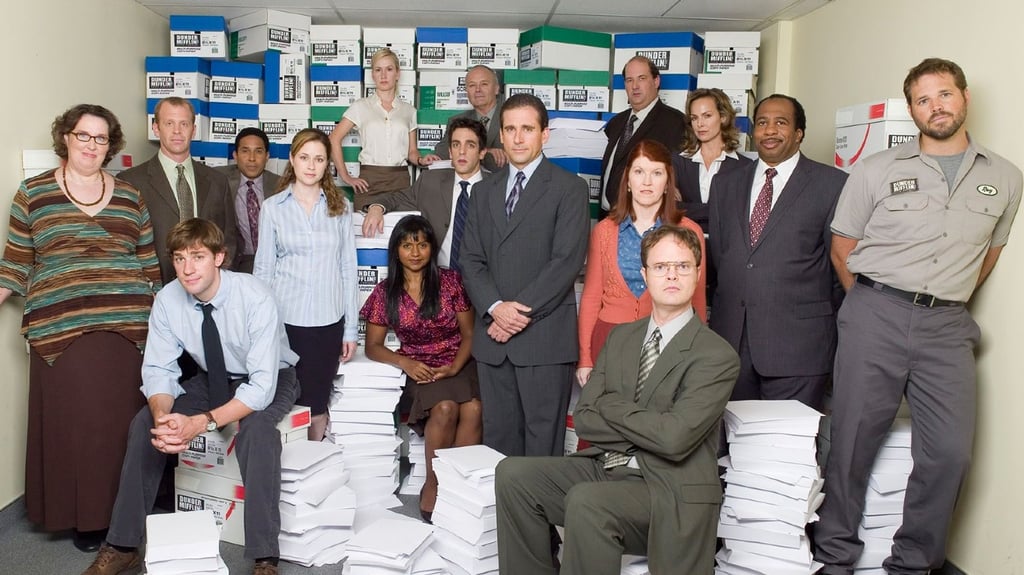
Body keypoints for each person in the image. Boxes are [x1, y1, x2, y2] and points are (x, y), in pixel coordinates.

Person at [814, 58, 1022, 575]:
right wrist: (869, 305)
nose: (937, 107)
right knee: (852, 443)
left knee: (950, 454)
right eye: (924, 99)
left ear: (964, 97)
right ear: (911, 110)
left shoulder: (1006, 177)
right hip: (875, 314)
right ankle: (835, 554)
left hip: (947, 327)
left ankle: (913, 563)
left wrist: (942, 297)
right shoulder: (877, 169)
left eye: (945, 94)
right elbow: (843, 247)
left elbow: (987, 256)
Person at [495, 225, 740, 575]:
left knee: (587, 501)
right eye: (660, 266)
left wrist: (614, 408)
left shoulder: (716, 355)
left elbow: (674, 440)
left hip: (666, 489)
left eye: (682, 266)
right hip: (605, 467)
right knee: (513, 474)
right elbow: (586, 418)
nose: (671, 274)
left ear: (698, 274)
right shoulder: (622, 337)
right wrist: (646, 425)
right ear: (644, 275)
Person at [82, 219, 299, 575]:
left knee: (257, 433)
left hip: (272, 374)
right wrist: (163, 416)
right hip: (212, 377)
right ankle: (121, 544)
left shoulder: (255, 296)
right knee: (143, 425)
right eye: (180, 258)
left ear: (219, 258)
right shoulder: (168, 300)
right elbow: (158, 371)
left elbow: (260, 388)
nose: (187, 268)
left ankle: (265, 558)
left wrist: (201, 422)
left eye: (197, 257)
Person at [0, 104, 162, 552]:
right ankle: (85, 519)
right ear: (65, 138)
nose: (92, 145)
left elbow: (149, 263)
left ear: (111, 146)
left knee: (121, 426)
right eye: (83, 136)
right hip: (61, 327)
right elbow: (14, 266)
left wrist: (170, 320)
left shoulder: (130, 196)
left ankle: (127, 513)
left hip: (130, 328)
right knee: (78, 427)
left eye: (101, 138)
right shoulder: (32, 194)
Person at [460, 93, 590, 457]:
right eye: (510, 129)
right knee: (497, 442)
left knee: (542, 445)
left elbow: (566, 261)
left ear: (544, 135)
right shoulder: (483, 191)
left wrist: (515, 314)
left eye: (527, 129)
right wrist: (496, 308)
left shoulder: (570, 188)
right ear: (500, 135)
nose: (518, 138)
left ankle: (539, 517)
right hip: (493, 340)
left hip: (544, 339)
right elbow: (470, 260)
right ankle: (504, 516)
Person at [707, 94, 847, 411]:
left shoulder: (832, 185)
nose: (770, 131)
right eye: (762, 123)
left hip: (799, 348)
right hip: (731, 346)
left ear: (799, 133)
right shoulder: (725, 184)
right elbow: (721, 258)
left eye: (781, 123)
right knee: (732, 450)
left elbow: (837, 271)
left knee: (786, 452)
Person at [360, 215, 481, 523]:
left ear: (432, 248)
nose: (415, 252)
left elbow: (470, 334)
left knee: (474, 409)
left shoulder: (451, 281)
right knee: (443, 409)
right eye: (407, 245)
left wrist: (455, 366)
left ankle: (460, 488)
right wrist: (406, 363)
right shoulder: (385, 292)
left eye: (422, 244)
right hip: (421, 366)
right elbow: (372, 346)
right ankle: (434, 483)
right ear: (395, 250)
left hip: (460, 359)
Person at [576, 139, 707, 388]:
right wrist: (585, 358)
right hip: (610, 340)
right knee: (609, 420)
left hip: (670, 342)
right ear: (628, 180)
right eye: (639, 172)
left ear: (668, 183)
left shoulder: (690, 232)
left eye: (656, 173)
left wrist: (697, 356)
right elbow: (592, 297)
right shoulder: (605, 231)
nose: (647, 182)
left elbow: (697, 301)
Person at [254, 128, 358, 441]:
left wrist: (350, 329)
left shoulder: (340, 207)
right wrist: (260, 326)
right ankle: (286, 482)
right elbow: (264, 269)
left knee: (317, 405)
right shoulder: (273, 208)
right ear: (291, 159)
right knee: (285, 405)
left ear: (328, 164)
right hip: (285, 323)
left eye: (319, 159)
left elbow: (348, 269)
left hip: (327, 323)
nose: (311, 165)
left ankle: (313, 475)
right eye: (304, 157)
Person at [120, 96, 236, 285]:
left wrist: (217, 284)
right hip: (155, 290)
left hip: (208, 290)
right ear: (156, 128)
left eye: (184, 124)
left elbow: (228, 238)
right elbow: (127, 245)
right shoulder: (131, 182)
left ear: (194, 129)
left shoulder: (217, 182)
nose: (177, 131)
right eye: (169, 123)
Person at [361, 117, 488, 272]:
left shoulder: (498, 187)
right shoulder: (430, 182)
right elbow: (396, 198)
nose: (461, 151)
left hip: (482, 279)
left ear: (482, 153)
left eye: (470, 145)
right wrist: (376, 207)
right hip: (438, 278)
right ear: (450, 151)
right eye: (456, 145)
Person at [673, 88, 753, 311]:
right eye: (695, 118)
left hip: (727, 262)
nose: (700, 124)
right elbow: (669, 210)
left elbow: (740, 218)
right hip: (684, 256)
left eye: (707, 116)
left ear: (724, 117)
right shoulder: (677, 163)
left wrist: (690, 209)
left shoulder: (745, 168)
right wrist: (718, 211)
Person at [329, 48, 432, 211]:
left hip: (400, 182)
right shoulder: (360, 106)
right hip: (369, 182)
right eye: (378, 70)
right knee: (366, 235)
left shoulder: (409, 111)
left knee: (400, 234)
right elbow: (333, 139)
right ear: (373, 75)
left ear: (397, 74)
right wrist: (345, 176)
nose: (383, 75)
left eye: (389, 69)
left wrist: (421, 160)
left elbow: (412, 152)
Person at [600, 55, 688, 212]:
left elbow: (678, 178)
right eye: (629, 80)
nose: (635, 86)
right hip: (608, 218)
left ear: (656, 81)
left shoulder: (675, 123)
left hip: (646, 221)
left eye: (641, 78)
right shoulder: (616, 123)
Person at [216, 127, 281, 273]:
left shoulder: (280, 186)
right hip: (234, 262)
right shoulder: (218, 180)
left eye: (258, 151)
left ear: (267, 156)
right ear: (235, 155)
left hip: (273, 261)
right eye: (245, 151)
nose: (252, 158)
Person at [426, 65, 506, 171]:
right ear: (466, 91)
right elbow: (442, 151)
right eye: (472, 85)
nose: (478, 90)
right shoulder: (457, 121)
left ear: (496, 89)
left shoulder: (512, 117)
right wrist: (485, 151)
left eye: (484, 84)